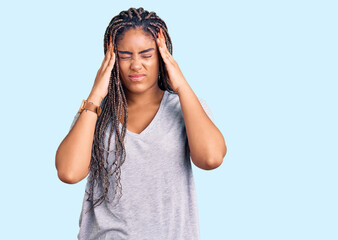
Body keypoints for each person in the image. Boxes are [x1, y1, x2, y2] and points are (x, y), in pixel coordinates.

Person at [55, 7, 227, 240]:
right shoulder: (94, 113)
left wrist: (182, 86)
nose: (136, 65)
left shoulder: (185, 108)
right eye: (125, 56)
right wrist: (96, 93)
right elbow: (69, 172)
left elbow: (211, 158)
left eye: (146, 55)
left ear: (162, 56)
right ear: (112, 58)